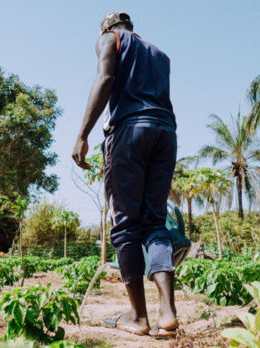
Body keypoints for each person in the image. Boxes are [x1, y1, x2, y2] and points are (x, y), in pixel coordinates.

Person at [72, 12, 178, 338]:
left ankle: (139, 316)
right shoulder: (160, 54)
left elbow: (104, 79)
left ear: (107, 29)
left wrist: (83, 134)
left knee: (125, 226)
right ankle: (168, 311)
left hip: (130, 131)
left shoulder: (111, 39)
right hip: (165, 132)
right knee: (155, 223)